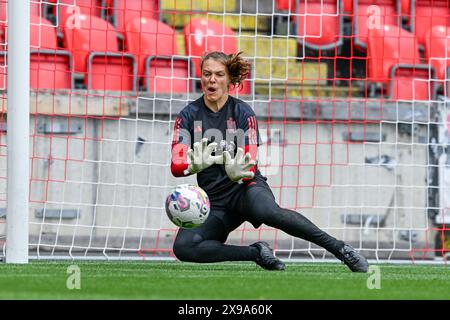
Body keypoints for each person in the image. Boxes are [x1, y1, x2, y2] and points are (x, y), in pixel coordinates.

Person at [170, 51, 369, 272]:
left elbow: (250, 163)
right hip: (214, 201)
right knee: (184, 248)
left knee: (269, 212)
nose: (212, 80)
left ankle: (341, 249)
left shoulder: (243, 112)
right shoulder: (188, 115)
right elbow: (176, 166)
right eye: (207, 74)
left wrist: (239, 171)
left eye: (218, 74)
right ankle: (255, 253)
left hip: (246, 189)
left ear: (229, 79)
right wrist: (194, 165)